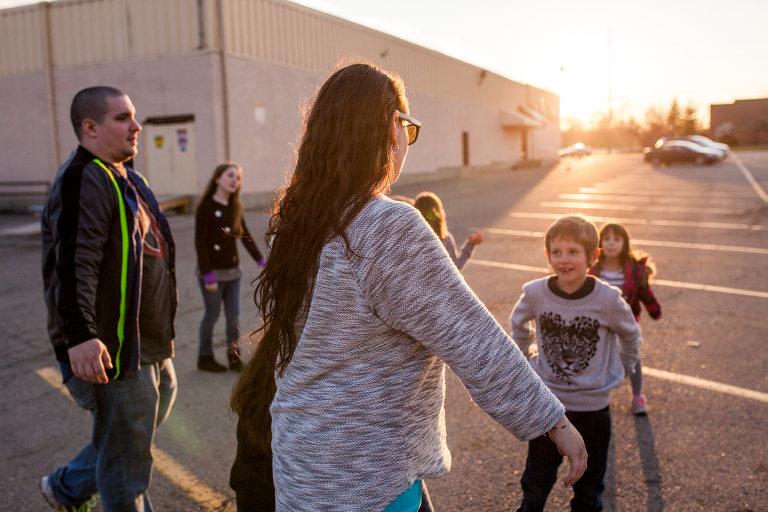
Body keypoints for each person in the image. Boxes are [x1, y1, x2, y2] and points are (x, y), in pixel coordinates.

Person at [230, 62, 587, 512]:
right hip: (368, 477)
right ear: (391, 129)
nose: (407, 143)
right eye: (408, 126)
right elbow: (472, 337)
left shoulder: (295, 222)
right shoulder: (387, 226)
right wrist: (552, 421)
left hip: (303, 464)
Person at [40, 86, 178, 512]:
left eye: (133, 116)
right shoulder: (85, 178)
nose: (136, 126)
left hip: (144, 338)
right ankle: (77, 490)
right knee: (126, 463)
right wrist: (80, 336)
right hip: (112, 346)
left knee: (139, 423)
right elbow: (72, 264)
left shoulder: (126, 176)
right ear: (90, 127)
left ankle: (65, 487)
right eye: (123, 118)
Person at [509, 214, 642, 512]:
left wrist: (621, 369)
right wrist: (526, 361)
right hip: (547, 408)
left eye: (573, 252)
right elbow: (517, 325)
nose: (564, 259)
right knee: (535, 485)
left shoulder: (607, 299)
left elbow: (631, 335)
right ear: (547, 255)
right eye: (556, 252)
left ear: (592, 257)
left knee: (590, 492)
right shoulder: (535, 293)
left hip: (594, 411)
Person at [195, 162, 265, 372]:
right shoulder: (205, 206)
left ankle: (234, 358)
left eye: (238, 177)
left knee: (233, 317)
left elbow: (244, 235)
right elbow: (200, 242)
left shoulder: (236, 206)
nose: (235, 180)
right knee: (212, 315)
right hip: (212, 275)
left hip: (233, 273)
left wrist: (260, 260)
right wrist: (207, 273)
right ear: (217, 179)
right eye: (230, 176)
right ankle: (204, 356)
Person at [589, 222, 662, 415]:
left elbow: (644, 290)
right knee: (599, 357)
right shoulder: (592, 267)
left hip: (627, 321)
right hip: (599, 323)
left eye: (616, 239)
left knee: (633, 356)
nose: (611, 243)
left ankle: (637, 395)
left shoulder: (633, 267)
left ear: (625, 242)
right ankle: (600, 395)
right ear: (599, 243)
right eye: (606, 239)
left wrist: (654, 309)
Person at [413, 191, 483, 272]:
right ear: (439, 212)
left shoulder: (409, 240)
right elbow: (455, 267)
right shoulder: (445, 239)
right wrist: (471, 245)